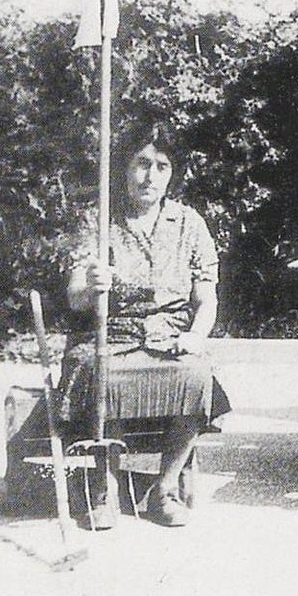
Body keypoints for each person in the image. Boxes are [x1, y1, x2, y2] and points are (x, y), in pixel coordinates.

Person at [63, 120, 230, 529]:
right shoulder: (98, 221)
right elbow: (74, 296)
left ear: (172, 175)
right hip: (110, 334)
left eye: (161, 166)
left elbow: (206, 298)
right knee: (104, 374)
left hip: (169, 336)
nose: (150, 176)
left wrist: (195, 335)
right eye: (141, 164)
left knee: (198, 373)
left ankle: (165, 488)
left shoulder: (190, 225)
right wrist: (92, 287)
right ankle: (106, 488)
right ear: (124, 168)